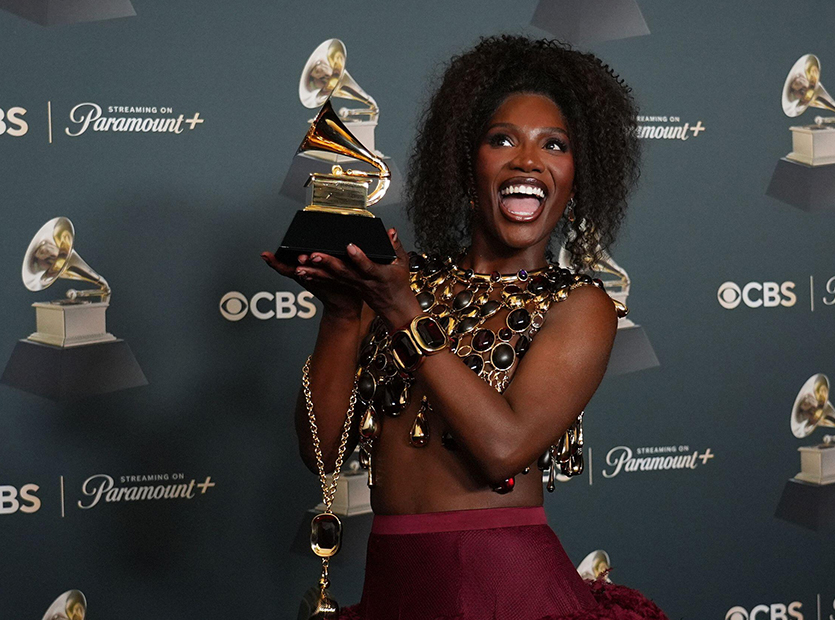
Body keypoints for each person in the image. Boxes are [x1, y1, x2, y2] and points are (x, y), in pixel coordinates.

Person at [263, 35, 667, 620]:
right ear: (464, 164)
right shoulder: (401, 282)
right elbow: (322, 454)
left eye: (554, 145)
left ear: (577, 178)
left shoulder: (580, 305)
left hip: (505, 589)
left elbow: (504, 449)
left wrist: (403, 312)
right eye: (502, 139)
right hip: (396, 588)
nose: (528, 161)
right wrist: (344, 314)